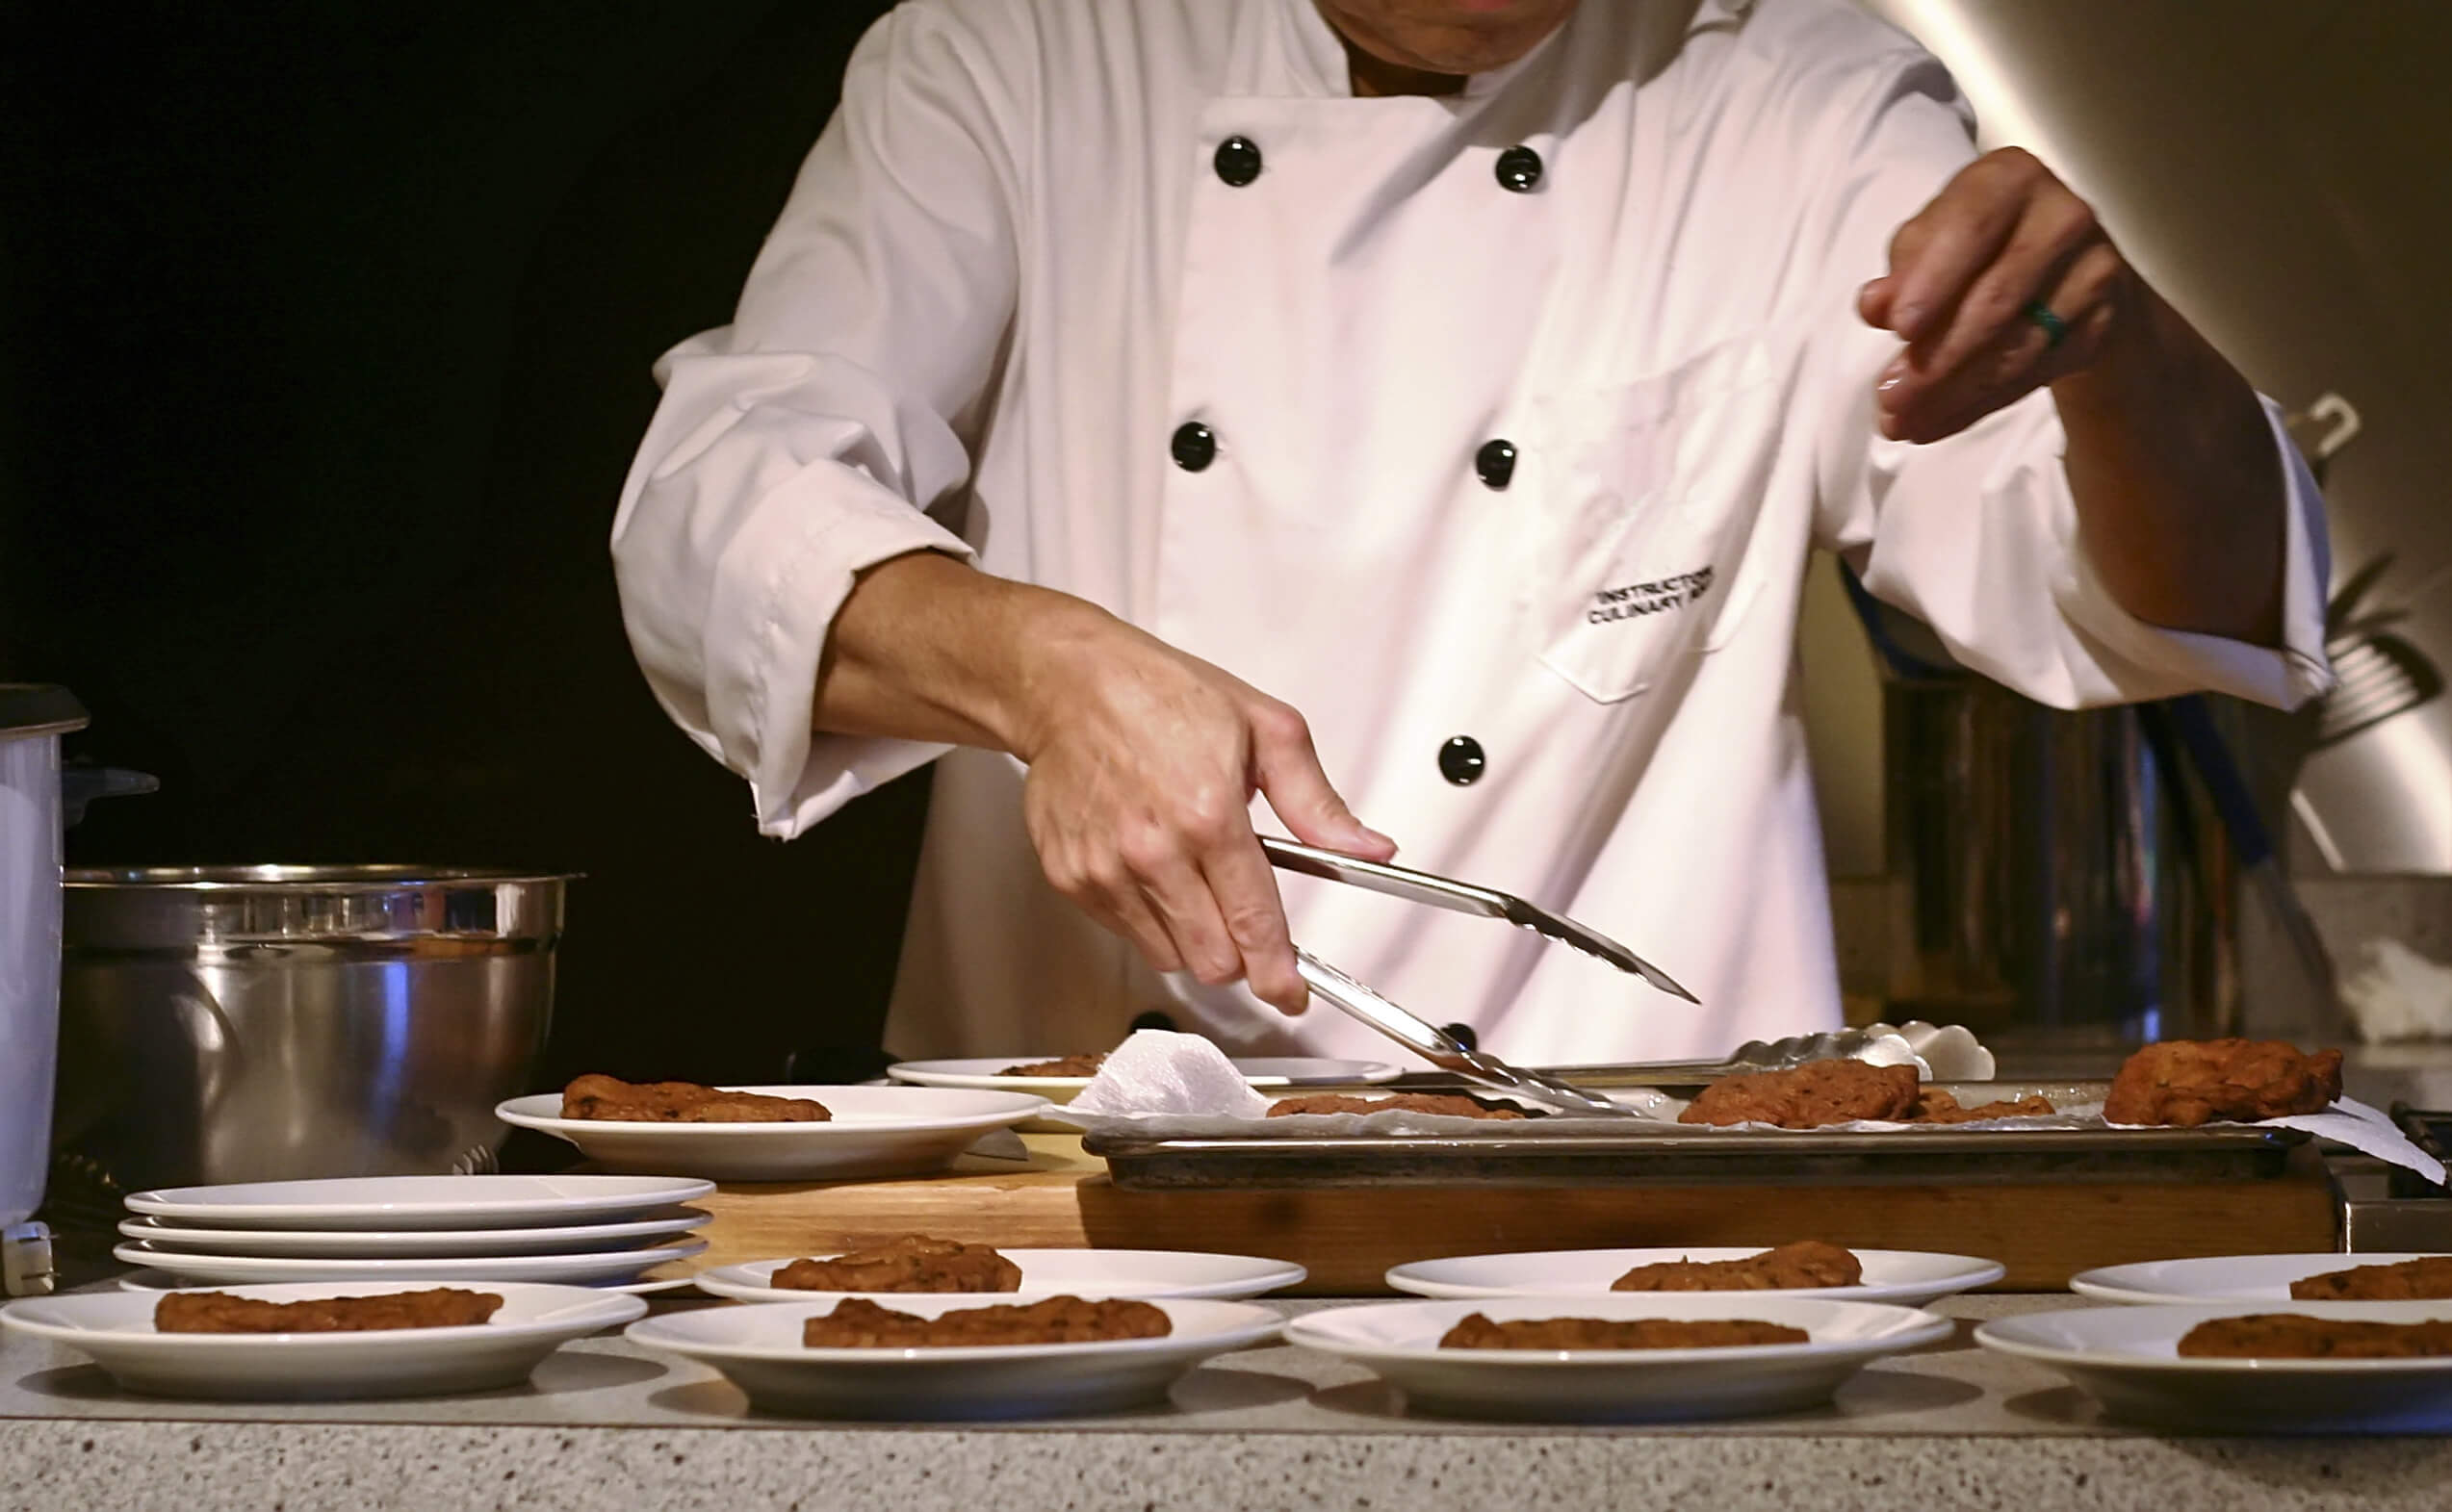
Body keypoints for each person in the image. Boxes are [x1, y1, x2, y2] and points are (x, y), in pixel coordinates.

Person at [611, 0, 2332, 1064]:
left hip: (1632, 1212)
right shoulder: (1014, 52)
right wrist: (1035, 667)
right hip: (1083, 1192)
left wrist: (2119, 353)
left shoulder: (1796, 90)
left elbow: (2150, 603)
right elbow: (716, 509)